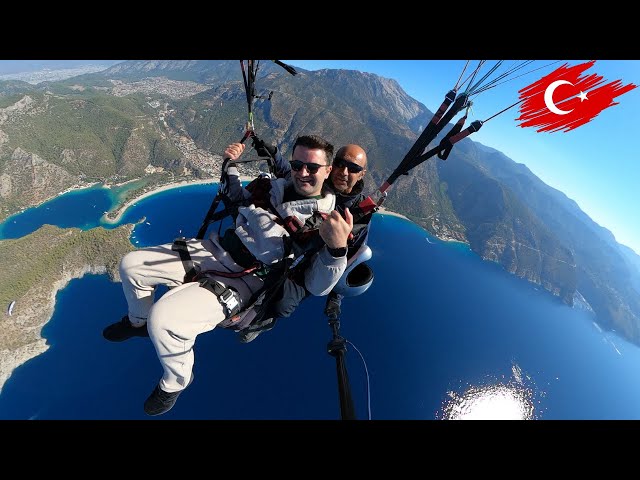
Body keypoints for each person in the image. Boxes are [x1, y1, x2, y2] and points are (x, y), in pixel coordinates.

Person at [102, 134, 353, 416]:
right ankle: (139, 321)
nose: (302, 173)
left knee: (166, 320)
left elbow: (317, 286)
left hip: (244, 281)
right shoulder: (274, 187)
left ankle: (176, 380)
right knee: (131, 265)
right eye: (297, 164)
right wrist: (229, 163)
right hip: (214, 250)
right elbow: (237, 199)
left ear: (328, 171)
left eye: (312, 167)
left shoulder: (327, 223)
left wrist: (336, 250)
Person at [238, 144, 371, 343]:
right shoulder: (320, 181)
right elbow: (294, 173)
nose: (344, 172)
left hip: (311, 265)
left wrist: (336, 298)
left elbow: (350, 258)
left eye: (353, 169)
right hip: (288, 241)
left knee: (283, 304)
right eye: (340, 164)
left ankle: (264, 319)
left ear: (361, 174)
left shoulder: (358, 215)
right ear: (330, 166)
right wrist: (273, 153)